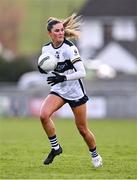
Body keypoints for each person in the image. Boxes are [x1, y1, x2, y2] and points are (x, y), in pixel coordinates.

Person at [38, 13, 102, 168]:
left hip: (75, 92)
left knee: (82, 129)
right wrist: (41, 68)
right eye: (57, 31)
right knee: (43, 115)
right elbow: (47, 66)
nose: (60, 33)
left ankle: (95, 154)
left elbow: (82, 73)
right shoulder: (46, 48)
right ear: (50, 33)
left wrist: (64, 78)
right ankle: (56, 148)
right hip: (59, 90)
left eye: (61, 30)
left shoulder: (70, 49)